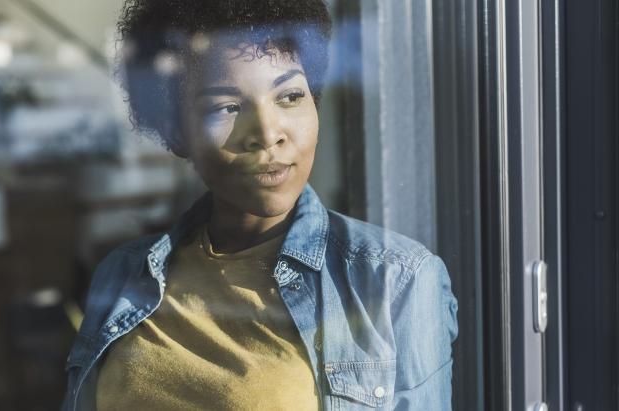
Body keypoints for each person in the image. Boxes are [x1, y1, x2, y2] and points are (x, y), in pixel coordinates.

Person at [62, 0, 458, 410]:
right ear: (176, 132)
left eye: (289, 96)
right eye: (228, 107)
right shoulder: (123, 276)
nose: (267, 134)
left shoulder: (396, 280)